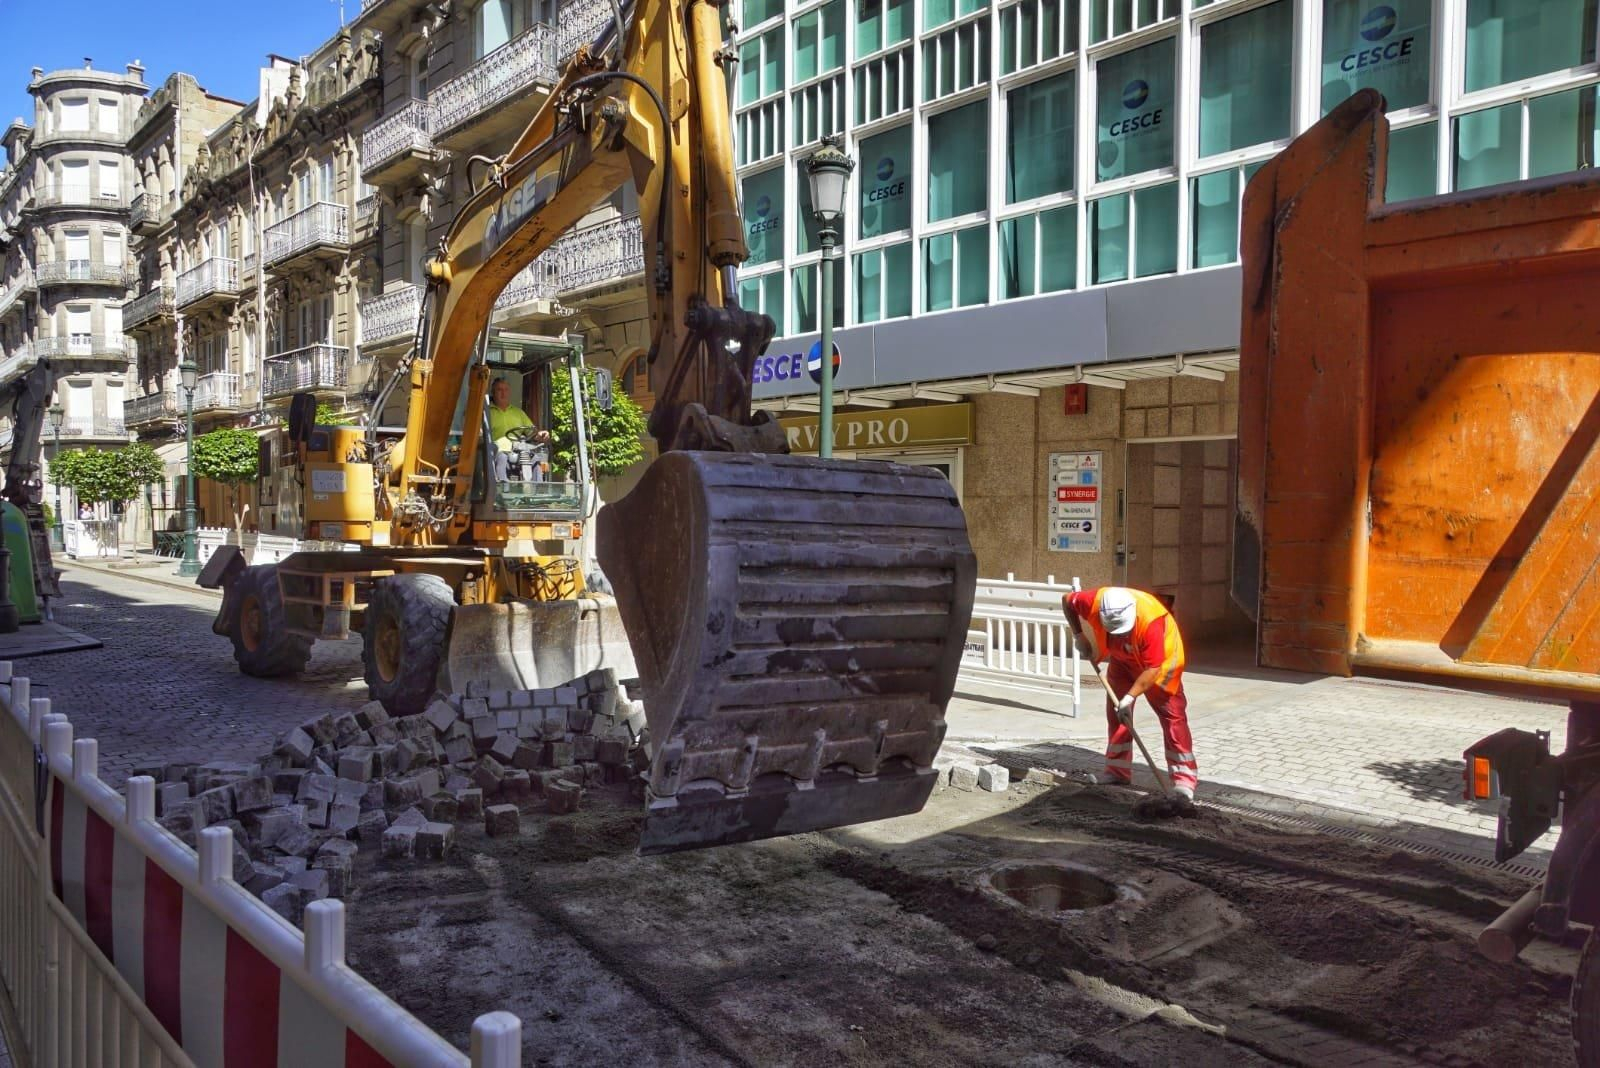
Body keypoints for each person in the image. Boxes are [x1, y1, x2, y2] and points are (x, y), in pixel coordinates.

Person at [1062, 586, 1198, 801]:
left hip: (1161, 667)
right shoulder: (1093, 601)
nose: (1121, 633)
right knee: (1118, 716)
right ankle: (1117, 772)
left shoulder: (1151, 622)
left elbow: (1152, 669)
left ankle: (1184, 780)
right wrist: (1079, 635)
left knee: (1173, 719)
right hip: (1122, 659)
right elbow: (1067, 600)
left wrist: (1130, 696)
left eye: (1123, 629)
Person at [488, 376, 549, 482]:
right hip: (496, 451)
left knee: (534, 458)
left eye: (506, 390)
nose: (503, 393)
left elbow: (532, 432)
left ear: (509, 392)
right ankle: (502, 490)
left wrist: (541, 435)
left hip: (519, 450)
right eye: (499, 390)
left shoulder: (518, 412)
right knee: (502, 458)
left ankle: (538, 490)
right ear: (493, 393)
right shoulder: (487, 412)